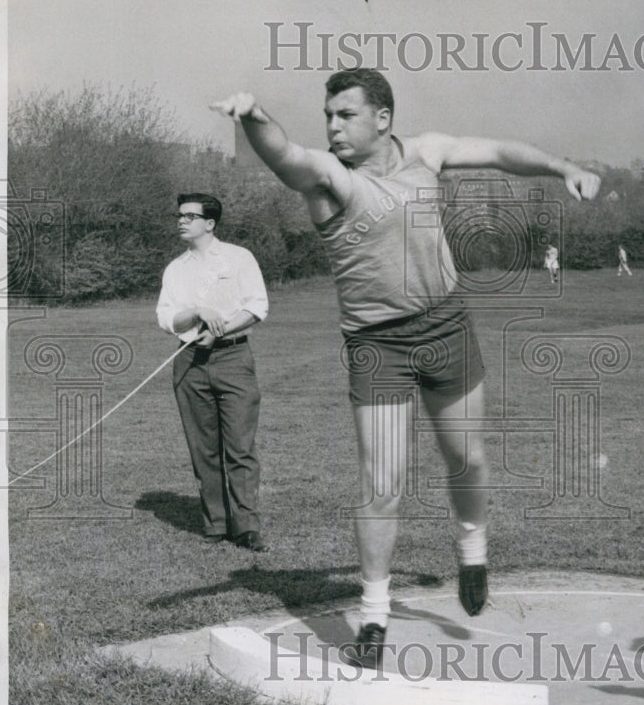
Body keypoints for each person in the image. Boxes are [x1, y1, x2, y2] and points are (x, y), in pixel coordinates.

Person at [211, 70, 599, 667]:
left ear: (383, 118)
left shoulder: (426, 152)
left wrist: (563, 168)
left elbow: (498, 151)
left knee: (465, 459)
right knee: (382, 482)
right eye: (328, 116)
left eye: (346, 115)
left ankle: (472, 546)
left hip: (447, 327)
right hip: (377, 345)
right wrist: (254, 114)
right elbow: (286, 155)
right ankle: (373, 614)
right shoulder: (330, 179)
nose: (334, 127)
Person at [156, 193, 269, 550]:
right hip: (189, 363)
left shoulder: (239, 258)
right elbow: (167, 318)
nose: (182, 221)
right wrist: (198, 311)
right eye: (180, 215)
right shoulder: (176, 268)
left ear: (210, 223)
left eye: (190, 216)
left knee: (239, 446)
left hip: (233, 359)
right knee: (202, 448)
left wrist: (223, 329)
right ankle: (216, 523)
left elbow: (257, 306)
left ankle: (246, 525)